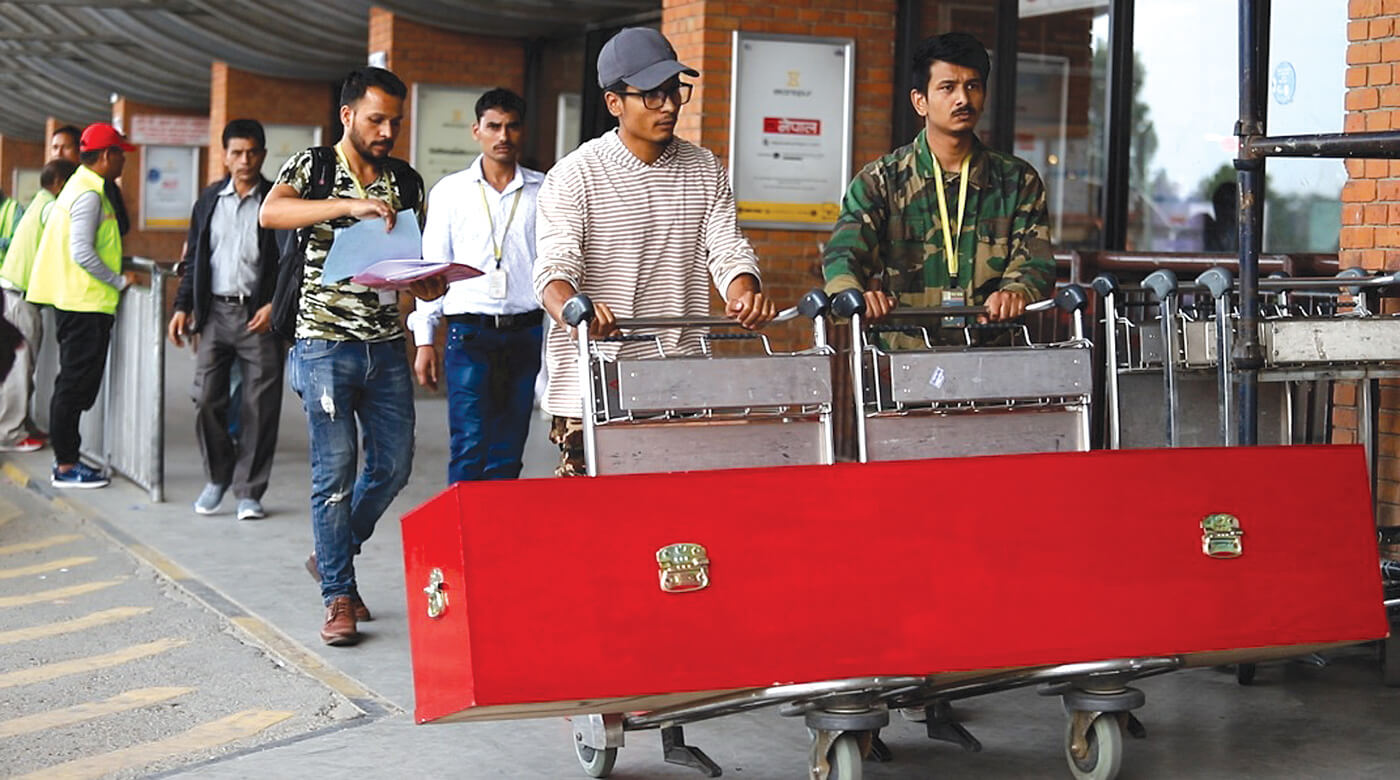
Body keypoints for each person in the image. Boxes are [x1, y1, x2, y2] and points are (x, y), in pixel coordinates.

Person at [534, 27, 775, 477]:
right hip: (594, 386)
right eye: (651, 95)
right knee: (596, 527)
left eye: (674, 91)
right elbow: (552, 267)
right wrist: (576, 309)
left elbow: (727, 247)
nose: (668, 106)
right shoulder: (573, 176)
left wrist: (743, 291)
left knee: (673, 521)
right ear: (614, 103)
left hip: (678, 381)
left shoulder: (704, 168)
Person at [260, 67, 444, 647]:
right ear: (348, 116)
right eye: (376, 119)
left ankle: (331, 552)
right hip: (323, 346)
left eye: (395, 120)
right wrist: (348, 206)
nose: (387, 130)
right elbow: (272, 212)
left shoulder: (408, 182)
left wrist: (430, 288)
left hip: (385, 347)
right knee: (333, 477)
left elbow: (409, 267)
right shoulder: (314, 168)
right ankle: (338, 595)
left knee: (392, 467)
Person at [822, 32, 1055, 328]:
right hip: (904, 353)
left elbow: (1037, 261)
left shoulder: (1018, 180)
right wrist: (852, 294)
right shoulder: (881, 180)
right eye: (948, 88)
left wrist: (1016, 291)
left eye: (973, 86)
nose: (963, 99)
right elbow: (844, 251)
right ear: (920, 101)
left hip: (991, 354)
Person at [409, 88, 544, 484]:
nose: (504, 135)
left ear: (523, 132)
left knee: (508, 451)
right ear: (476, 131)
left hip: (526, 331)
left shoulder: (545, 190)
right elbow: (430, 272)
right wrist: (424, 340)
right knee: (469, 446)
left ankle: (495, 542)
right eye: (494, 126)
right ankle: (460, 543)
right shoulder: (450, 192)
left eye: (512, 126)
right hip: (469, 334)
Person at [169, 119, 288, 520]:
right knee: (205, 397)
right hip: (215, 315)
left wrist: (276, 305)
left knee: (261, 405)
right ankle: (218, 477)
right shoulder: (207, 202)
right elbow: (194, 261)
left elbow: (293, 263)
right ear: (224, 155)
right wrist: (182, 306)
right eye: (236, 152)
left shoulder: (276, 200)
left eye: (252, 152)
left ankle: (249, 491)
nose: (245, 160)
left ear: (263, 155)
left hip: (259, 316)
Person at [24, 123, 141, 488]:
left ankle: (67, 461)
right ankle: (66, 465)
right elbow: (82, 252)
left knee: (74, 385)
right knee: (74, 386)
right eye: (120, 154)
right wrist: (119, 280)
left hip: (79, 303)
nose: (123, 161)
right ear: (107, 156)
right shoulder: (89, 193)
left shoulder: (81, 187)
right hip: (83, 304)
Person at [0, 159, 77, 452]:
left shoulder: (37, 202)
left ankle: (20, 425)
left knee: (21, 367)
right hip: (19, 298)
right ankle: (10, 434)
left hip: (12, 294)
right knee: (19, 369)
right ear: (58, 183)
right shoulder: (50, 207)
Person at [50, 124, 128, 236]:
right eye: (55, 148)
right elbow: (81, 250)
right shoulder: (84, 189)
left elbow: (122, 225)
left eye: (66, 147)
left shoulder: (97, 185)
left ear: (79, 150)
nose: (59, 154)